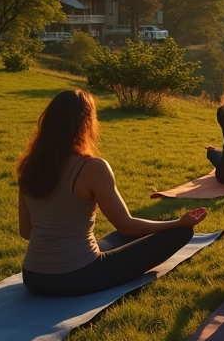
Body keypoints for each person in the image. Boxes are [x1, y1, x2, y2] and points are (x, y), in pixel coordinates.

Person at [18, 90, 207, 297]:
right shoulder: (92, 167)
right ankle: (178, 228)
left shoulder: (30, 166)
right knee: (180, 234)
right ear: (86, 123)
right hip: (77, 276)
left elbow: (26, 231)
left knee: (120, 237)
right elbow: (126, 224)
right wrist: (179, 222)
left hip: (34, 277)